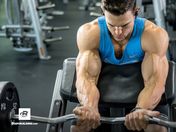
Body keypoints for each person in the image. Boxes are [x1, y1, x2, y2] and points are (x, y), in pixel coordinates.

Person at [71, 0, 169, 131]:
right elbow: (86, 77)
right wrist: (89, 107)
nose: (118, 32)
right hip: (100, 95)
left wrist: (141, 109)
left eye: (124, 25)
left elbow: (154, 82)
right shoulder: (90, 33)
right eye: (111, 25)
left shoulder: (153, 35)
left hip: (143, 94)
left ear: (135, 12)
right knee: (80, 127)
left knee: (157, 129)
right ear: (103, 13)